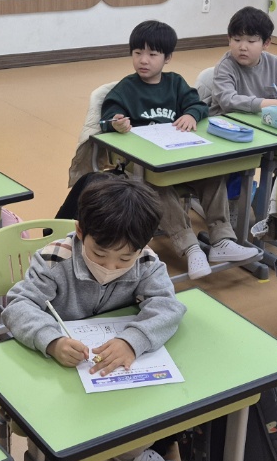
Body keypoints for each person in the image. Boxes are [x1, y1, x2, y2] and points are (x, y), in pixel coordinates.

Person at [1, 175, 184, 461]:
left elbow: (168, 307)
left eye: (124, 258)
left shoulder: (146, 262)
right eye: (100, 254)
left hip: (115, 373)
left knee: (154, 406)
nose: (110, 267)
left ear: (143, 245)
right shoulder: (54, 260)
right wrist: (51, 340)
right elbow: (19, 305)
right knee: (55, 433)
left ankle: (130, 452)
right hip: (63, 377)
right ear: (80, 231)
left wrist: (133, 340)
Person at [101, 20, 260, 278]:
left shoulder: (175, 83)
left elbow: (198, 105)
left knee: (213, 175)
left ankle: (222, 240)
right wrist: (116, 123)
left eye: (152, 54)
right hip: (144, 169)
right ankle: (190, 247)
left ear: (167, 58)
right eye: (137, 53)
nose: (143, 60)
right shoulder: (125, 89)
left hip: (180, 158)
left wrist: (190, 115)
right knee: (156, 187)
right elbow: (108, 119)